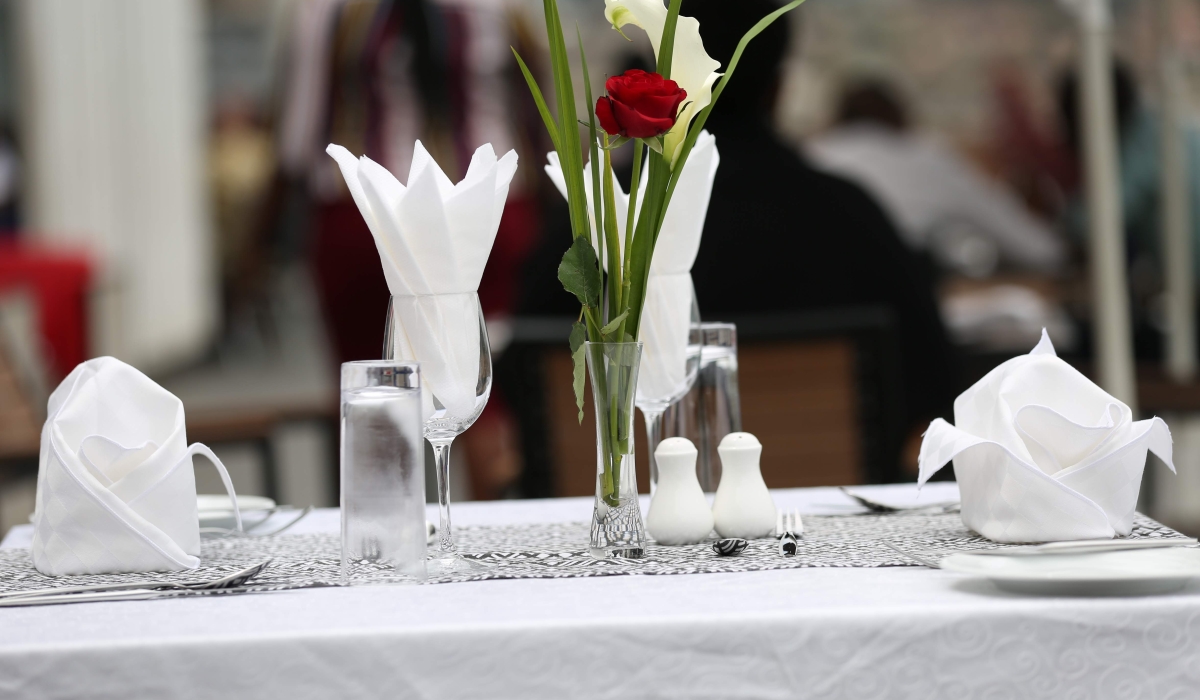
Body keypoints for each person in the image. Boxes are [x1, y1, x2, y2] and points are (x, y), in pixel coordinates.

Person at [683, 0, 958, 473]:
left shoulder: (600, 226)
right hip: (837, 525)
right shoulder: (850, 218)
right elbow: (939, 388)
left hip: (644, 524)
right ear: (778, 87)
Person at [808, 79, 1065, 277]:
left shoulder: (814, 153)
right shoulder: (925, 156)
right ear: (901, 121)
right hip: (905, 304)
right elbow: (1037, 248)